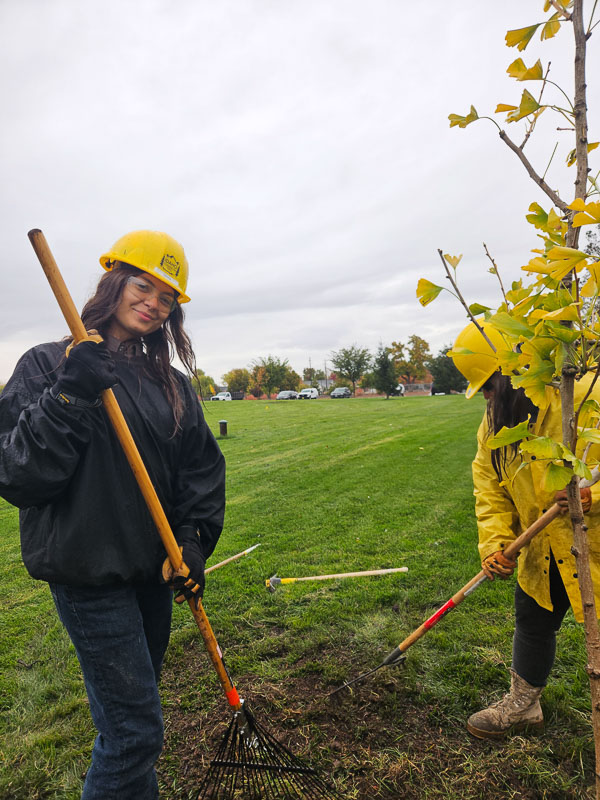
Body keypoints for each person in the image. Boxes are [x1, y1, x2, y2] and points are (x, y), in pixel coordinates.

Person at [0, 230, 226, 798]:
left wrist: (192, 542)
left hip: (152, 574)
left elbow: (199, 473)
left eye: (167, 297)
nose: (153, 301)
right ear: (113, 281)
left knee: (127, 721)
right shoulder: (49, 364)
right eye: (142, 284)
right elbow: (21, 476)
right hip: (89, 576)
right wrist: (70, 394)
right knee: (135, 734)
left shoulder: (172, 385)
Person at [450, 320, 600, 740]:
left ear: (512, 373)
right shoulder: (496, 423)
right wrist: (496, 542)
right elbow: (490, 487)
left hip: (596, 541)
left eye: (488, 386)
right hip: (542, 547)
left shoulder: (585, 396)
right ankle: (523, 705)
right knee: (533, 618)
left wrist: (592, 497)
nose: (485, 397)